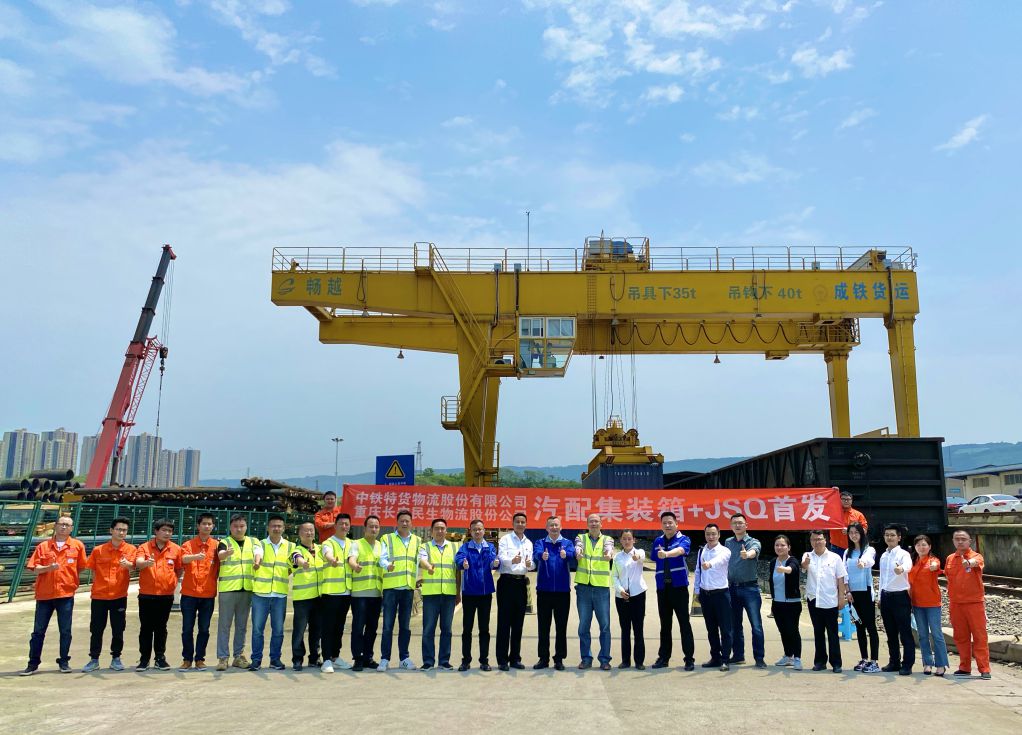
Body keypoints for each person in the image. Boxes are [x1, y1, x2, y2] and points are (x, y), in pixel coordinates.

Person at [21, 515, 86, 676]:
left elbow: (81, 567)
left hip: (65, 594)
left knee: (65, 631)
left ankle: (64, 661)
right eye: (61, 524)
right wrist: (48, 569)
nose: (64, 527)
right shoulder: (43, 546)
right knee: (38, 631)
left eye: (67, 525)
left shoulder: (77, 546)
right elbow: (34, 568)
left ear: (71, 528)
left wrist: (69, 580)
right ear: (55, 526)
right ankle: (33, 663)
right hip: (45, 595)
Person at [82, 517, 134, 673]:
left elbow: (134, 568)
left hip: (119, 596)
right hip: (99, 596)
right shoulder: (98, 550)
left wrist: (129, 565)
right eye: (118, 529)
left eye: (124, 530)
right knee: (96, 629)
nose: (121, 533)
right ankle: (94, 659)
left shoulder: (131, 550)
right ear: (111, 530)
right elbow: (92, 569)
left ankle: (116, 658)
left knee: (118, 628)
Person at [133, 518, 183, 672]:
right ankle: (144, 659)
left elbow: (179, 569)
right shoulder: (144, 547)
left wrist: (171, 582)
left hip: (165, 595)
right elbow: (138, 562)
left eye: (170, 531)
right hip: (147, 595)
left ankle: (160, 658)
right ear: (156, 531)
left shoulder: (176, 549)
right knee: (146, 628)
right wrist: (145, 563)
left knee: (161, 628)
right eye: (164, 530)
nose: (167, 533)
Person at [650, 511, 695, 671]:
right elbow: (654, 557)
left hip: (679, 588)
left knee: (684, 623)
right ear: (661, 525)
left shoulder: (684, 539)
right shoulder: (658, 541)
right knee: (665, 625)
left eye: (670, 522)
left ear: (676, 524)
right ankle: (664, 657)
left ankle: (689, 659)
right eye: (665, 523)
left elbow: (681, 551)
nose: (668, 525)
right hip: (663, 588)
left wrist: (667, 554)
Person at [248, 514, 294, 671]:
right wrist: (257, 561)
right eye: (273, 526)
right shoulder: (260, 544)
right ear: (268, 528)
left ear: (284, 528)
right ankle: (256, 660)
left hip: (279, 594)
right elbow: (258, 555)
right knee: (257, 630)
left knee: (278, 630)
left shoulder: (290, 546)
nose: (276, 529)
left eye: (279, 526)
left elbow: (292, 566)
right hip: (261, 594)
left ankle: (275, 659)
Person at [378, 509, 421, 672]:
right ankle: (384, 659)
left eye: (407, 521)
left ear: (411, 523)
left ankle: (404, 658)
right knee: (387, 626)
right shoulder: (387, 538)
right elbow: (382, 557)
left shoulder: (417, 540)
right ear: (397, 523)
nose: (404, 523)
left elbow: (420, 560)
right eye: (402, 520)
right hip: (391, 588)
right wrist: (386, 565)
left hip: (407, 588)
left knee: (405, 626)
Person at [945, 529, 991, 680]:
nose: (960, 541)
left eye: (963, 539)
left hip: (974, 603)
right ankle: (964, 667)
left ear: (969, 541)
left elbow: (976, 563)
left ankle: (984, 668)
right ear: (953, 541)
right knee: (960, 637)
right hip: (956, 604)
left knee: (979, 636)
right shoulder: (950, 558)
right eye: (957, 539)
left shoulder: (976, 556)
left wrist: (968, 562)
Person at [455, 519, 500, 671]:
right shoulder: (466, 547)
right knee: (467, 628)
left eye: (480, 529)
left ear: (484, 530)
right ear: (471, 531)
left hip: (485, 593)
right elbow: (459, 558)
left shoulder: (489, 547)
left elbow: (494, 560)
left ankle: (484, 661)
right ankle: (466, 661)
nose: (477, 532)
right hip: (469, 592)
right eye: (474, 529)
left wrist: (496, 563)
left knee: (484, 629)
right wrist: (462, 564)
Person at [801, 529, 848, 672]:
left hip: (830, 600)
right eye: (814, 539)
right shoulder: (807, 555)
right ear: (810, 541)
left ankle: (836, 663)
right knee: (818, 632)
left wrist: (842, 597)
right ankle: (820, 662)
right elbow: (803, 567)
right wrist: (805, 564)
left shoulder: (835, 558)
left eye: (820, 539)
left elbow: (840, 579)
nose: (817, 542)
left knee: (833, 633)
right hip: (814, 599)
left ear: (825, 540)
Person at [215, 514, 257, 671]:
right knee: (224, 625)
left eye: (242, 526)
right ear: (230, 527)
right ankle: (223, 658)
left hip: (247, 588)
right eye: (235, 526)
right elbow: (220, 555)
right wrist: (226, 553)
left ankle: (238, 656)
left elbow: (259, 555)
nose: (239, 529)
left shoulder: (253, 542)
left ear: (246, 527)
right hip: (228, 589)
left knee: (242, 625)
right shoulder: (224, 542)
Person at [532, 516, 575, 671]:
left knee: (561, 627)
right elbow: (536, 554)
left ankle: (559, 659)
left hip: (562, 592)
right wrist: (541, 556)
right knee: (543, 626)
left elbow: (573, 554)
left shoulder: (567, 543)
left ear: (561, 527)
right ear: (546, 528)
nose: (554, 528)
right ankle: (543, 658)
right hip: (544, 591)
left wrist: (566, 555)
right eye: (551, 525)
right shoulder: (540, 543)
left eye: (556, 525)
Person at [419, 517, 461, 670]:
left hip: (449, 595)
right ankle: (428, 661)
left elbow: (457, 572)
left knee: (447, 629)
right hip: (431, 595)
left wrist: (458, 592)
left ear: (446, 531)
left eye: (442, 528)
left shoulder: (454, 547)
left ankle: (444, 660)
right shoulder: (425, 547)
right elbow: (422, 560)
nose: (440, 531)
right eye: (436, 528)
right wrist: (428, 566)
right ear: (431, 531)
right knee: (428, 629)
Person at [179, 512, 219, 671]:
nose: (207, 526)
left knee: (204, 629)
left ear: (213, 526)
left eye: (210, 524)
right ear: (198, 526)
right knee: (187, 629)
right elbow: (183, 559)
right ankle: (187, 659)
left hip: (208, 594)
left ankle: (200, 659)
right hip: (189, 594)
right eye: (204, 524)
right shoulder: (188, 545)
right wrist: (195, 556)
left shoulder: (217, 546)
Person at [574, 512, 614, 670]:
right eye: (591, 521)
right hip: (583, 588)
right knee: (583, 626)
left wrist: (609, 554)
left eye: (596, 521)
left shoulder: (608, 539)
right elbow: (578, 547)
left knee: (604, 626)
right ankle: (586, 658)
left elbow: (609, 548)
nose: (594, 524)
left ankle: (605, 659)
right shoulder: (581, 538)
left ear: (601, 524)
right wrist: (578, 553)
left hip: (601, 589)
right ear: (587, 524)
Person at [725, 513, 765, 668]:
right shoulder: (728, 542)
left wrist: (747, 554)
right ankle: (738, 656)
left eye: (740, 523)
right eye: (734, 523)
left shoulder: (753, 542)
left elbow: (753, 551)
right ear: (731, 526)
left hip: (750, 589)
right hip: (732, 588)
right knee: (735, 625)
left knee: (756, 625)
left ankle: (759, 658)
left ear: (746, 525)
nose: (737, 525)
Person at [495, 511, 534, 671]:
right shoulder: (505, 539)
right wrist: (512, 560)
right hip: (506, 582)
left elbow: (531, 565)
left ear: (526, 524)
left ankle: (515, 658)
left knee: (518, 623)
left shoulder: (528, 543)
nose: (520, 524)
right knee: (504, 622)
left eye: (523, 522)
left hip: (521, 584)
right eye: (517, 521)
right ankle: (502, 660)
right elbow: (501, 557)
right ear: (513, 524)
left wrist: (530, 564)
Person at [908, 534, 949, 677]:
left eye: (924, 545)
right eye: (918, 545)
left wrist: (934, 567)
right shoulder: (912, 562)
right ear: (915, 547)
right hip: (916, 603)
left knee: (936, 633)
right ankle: (927, 663)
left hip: (932, 603)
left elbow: (936, 566)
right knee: (922, 634)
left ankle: (941, 664)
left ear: (930, 546)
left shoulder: (933, 560)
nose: (921, 547)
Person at [693, 523, 732, 672]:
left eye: (713, 534)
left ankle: (725, 659)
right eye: (708, 534)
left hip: (721, 594)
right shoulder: (702, 551)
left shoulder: (725, 551)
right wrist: (697, 591)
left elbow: (720, 560)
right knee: (711, 629)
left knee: (725, 629)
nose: (711, 537)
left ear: (719, 535)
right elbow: (698, 571)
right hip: (705, 594)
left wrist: (709, 564)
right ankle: (715, 657)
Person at [842, 522, 879, 673]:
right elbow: (844, 573)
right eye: (851, 533)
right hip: (853, 593)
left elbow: (870, 560)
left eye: (856, 532)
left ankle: (874, 661)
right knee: (859, 626)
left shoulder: (869, 549)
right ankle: (864, 658)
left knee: (871, 626)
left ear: (861, 534)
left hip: (866, 591)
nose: (854, 535)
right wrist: (847, 591)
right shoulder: (847, 552)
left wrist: (863, 562)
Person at [348, 514, 384, 671]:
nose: (374, 529)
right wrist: (354, 565)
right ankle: (358, 658)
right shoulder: (357, 544)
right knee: (358, 627)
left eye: (376, 526)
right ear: (365, 528)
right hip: (360, 594)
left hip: (376, 593)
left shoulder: (381, 546)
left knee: (372, 628)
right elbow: (351, 558)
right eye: (371, 526)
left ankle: (368, 657)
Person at [319, 512, 353, 672]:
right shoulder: (328, 542)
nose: (344, 526)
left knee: (340, 627)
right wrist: (331, 559)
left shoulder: (352, 543)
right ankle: (326, 659)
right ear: (335, 525)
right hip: (331, 593)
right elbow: (327, 554)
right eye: (341, 524)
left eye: (347, 524)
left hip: (346, 592)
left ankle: (335, 656)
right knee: (328, 626)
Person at [878, 524, 914, 675]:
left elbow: (908, 565)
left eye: (892, 535)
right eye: (887, 535)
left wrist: (901, 569)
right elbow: (882, 577)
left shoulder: (903, 554)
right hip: (886, 596)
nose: (889, 537)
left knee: (905, 632)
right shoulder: (884, 555)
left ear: (899, 538)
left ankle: (907, 664)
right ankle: (894, 662)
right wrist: (880, 596)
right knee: (891, 632)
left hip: (900, 596)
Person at [289, 522, 323, 671]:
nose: (309, 533)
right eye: (305, 531)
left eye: (311, 530)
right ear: (299, 534)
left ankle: (314, 658)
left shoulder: (321, 549)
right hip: (302, 598)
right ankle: (297, 659)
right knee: (299, 630)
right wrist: (302, 563)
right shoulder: (296, 550)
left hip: (319, 597)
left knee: (317, 630)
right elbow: (296, 558)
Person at [612, 530, 647, 670]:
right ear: (620, 540)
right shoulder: (617, 557)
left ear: (634, 540)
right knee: (625, 629)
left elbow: (641, 557)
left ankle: (639, 661)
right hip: (622, 596)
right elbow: (614, 576)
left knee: (638, 629)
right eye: (624, 539)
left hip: (638, 595)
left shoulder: (640, 552)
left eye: (629, 539)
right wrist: (620, 590)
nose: (627, 541)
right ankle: (625, 660)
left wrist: (636, 557)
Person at [769, 534, 802, 671]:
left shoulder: (792, 560)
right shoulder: (773, 562)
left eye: (783, 545)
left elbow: (792, 569)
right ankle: (788, 655)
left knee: (792, 630)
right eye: (777, 545)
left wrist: (784, 569)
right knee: (783, 631)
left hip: (792, 603)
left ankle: (797, 658)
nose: (779, 547)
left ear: (788, 547)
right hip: (777, 603)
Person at [829, 489, 868, 554]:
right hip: (836, 547)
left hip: (854, 547)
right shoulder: (832, 513)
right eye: (843, 499)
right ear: (839, 500)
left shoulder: (858, 515)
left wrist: (849, 531)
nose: (846, 501)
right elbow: (827, 504)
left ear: (851, 501)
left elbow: (864, 531)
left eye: (848, 499)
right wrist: (833, 493)